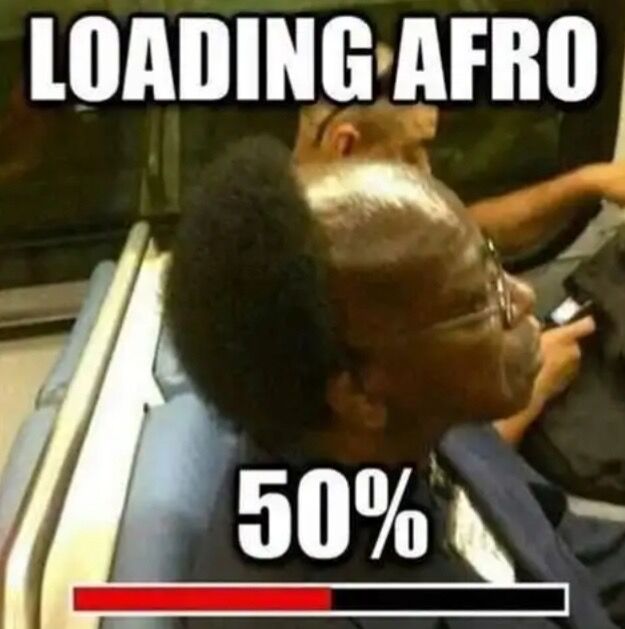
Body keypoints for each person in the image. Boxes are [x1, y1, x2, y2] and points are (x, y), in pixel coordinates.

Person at [166, 136, 625, 628]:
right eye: (477, 302)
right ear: (359, 394)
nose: (523, 296)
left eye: (492, 263)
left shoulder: (424, 426)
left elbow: (560, 548)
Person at [293, 44, 610, 447]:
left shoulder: (355, 220)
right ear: (346, 146)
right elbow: (415, 459)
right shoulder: (334, 293)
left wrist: (587, 182)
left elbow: (465, 228)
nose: (426, 171)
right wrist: (531, 394)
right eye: (412, 152)